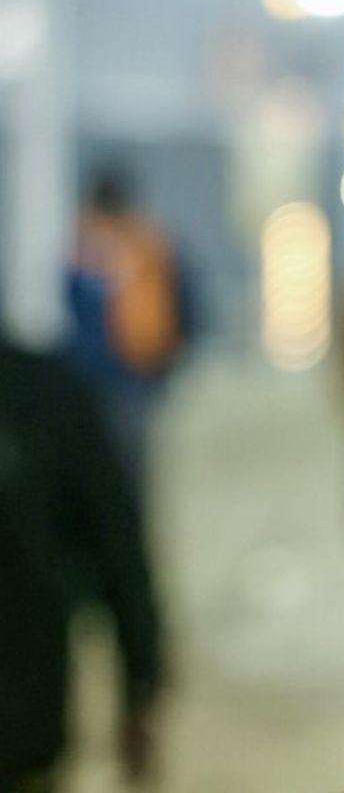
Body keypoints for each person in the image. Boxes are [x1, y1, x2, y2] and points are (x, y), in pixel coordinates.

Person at [0, 334, 162, 791]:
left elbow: (115, 540)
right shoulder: (41, 389)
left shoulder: (38, 393)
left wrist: (140, 683)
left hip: (21, 733)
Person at [65, 168, 185, 494]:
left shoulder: (86, 246)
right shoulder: (152, 243)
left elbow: (74, 310)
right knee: (130, 463)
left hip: (102, 375)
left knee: (100, 463)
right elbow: (183, 306)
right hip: (141, 371)